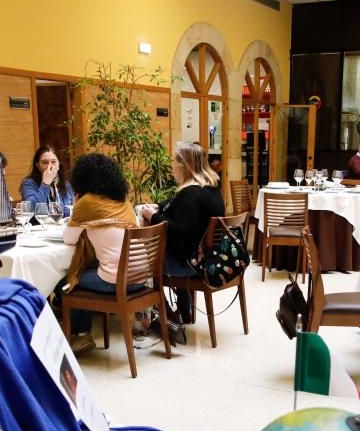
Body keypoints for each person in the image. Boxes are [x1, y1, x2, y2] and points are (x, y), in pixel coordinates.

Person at [61, 153, 142, 354]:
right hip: (140, 277)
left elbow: (68, 239)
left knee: (69, 281)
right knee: (86, 271)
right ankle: (81, 336)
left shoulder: (87, 202)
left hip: (117, 280)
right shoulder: (123, 201)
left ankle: (81, 336)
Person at [139, 142, 223, 322]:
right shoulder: (210, 188)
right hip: (209, 261)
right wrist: (159, 207)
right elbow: (178, 208)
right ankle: (184, 310)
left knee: (144, 264)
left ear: (183, 166)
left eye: (174, 162)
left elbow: (179, 235)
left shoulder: (188, 195)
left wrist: (154, 217)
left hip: (190, 266)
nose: (172, 166)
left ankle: (162, 316)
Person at [21, 145, 75, 218]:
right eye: (44, 162)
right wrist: (45, 183)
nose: (50, 166)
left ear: (58, 164)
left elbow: (73, 210)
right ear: (38, 165)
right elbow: (31, 209)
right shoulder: (29, 183)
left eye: (53, 162)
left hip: (62, 227)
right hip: (39, 227)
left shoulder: (66, 184)